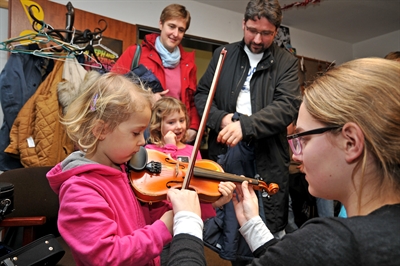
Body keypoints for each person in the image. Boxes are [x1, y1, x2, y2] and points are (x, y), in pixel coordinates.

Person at [167, 57, 400, 265]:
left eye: (303, 138)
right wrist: (253, 225)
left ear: (350, 142)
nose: (296, 155)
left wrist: (187, 222)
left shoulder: (331, 240)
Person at [47, 71, 193, 266]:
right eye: (136, 133)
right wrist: (163, 229)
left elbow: (144, 219)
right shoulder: (79, 191)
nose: (142, 141)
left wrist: (180, 207)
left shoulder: (125, 170)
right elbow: (107, 256)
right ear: (101, 130)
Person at [194, 0, 300, 263]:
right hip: (227, 153)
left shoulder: (287, 62)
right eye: (252, 30)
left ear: (275, 32)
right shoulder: (223, 54)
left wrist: (245, 126)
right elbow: (202, 96)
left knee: (268, 228)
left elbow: (287, 107)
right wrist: (221, 119)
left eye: (266, 33)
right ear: (243, 23)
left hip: (267, 155)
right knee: (231, 226)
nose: (257, 39)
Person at [111, 3, 199, 143]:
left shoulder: (189, 64)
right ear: (161, 24)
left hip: (174, 139)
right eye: (171, 26)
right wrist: (145, 96)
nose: (175, 34)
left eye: (181, 30)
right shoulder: (135, 52)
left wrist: (194, 127)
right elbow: (111, 86)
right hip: (140, 135)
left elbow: (192, 101)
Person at [146, 96, 236, 221]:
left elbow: (198, 188)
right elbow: (165, 173)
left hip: (188, 214)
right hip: (161, 215)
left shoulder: (192, 151)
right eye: (171, 122)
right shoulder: (151, 150)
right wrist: (170, 147)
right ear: (157, 125)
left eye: (182, 120)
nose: (178, 126)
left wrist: (217, 200)